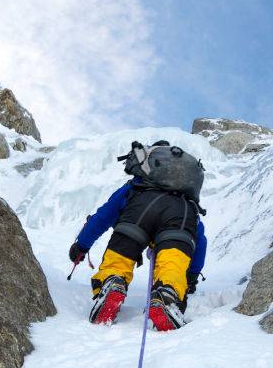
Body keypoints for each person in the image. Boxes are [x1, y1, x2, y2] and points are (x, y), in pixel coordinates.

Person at [69, 140, 207, 331]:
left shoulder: (134, 186)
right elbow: (200, 242)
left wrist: (81, 245)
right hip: (180, 215)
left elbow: (102, 216)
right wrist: (191, 276)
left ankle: (113, 283)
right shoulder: (187, 201)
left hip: (139, 208)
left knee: (119, 258)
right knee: (172, 262)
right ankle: (167, 295)